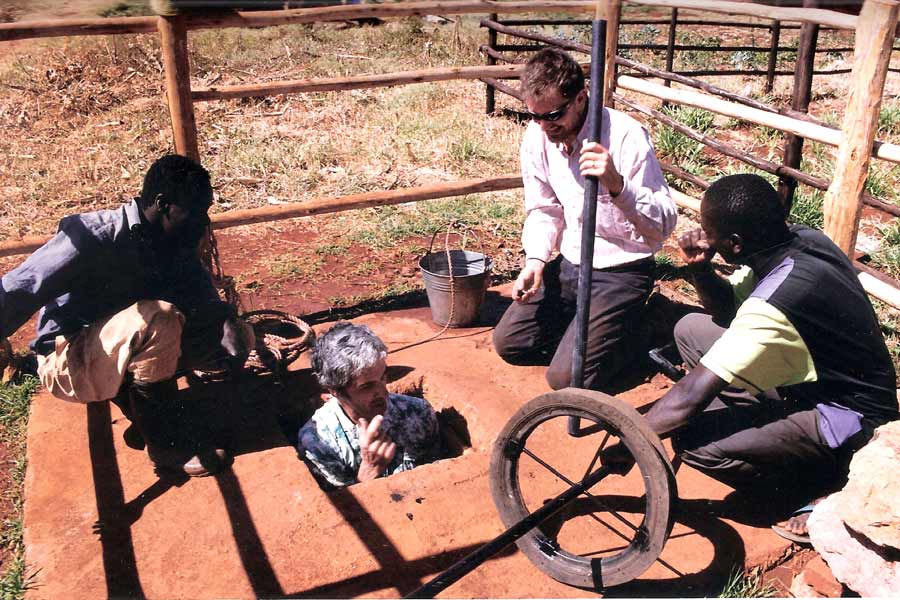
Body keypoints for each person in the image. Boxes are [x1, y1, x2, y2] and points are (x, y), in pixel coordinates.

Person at [603, 173, 899, 541]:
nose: (704, 236)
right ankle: (771, 431)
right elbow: (728, 312)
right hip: (820, 380)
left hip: (851, 417)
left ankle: (819, 486)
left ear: (736, 243)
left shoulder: (775, 302)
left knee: (697, 444)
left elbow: (691, 395)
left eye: (710, 232)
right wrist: (699, 267)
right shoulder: (802, 240)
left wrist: (631, 440)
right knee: (690, 329)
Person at [0, 154, 254, 477]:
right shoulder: (95, 236)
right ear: (163, 204)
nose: (203, 222)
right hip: (67, 359)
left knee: (237, 333)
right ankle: (165, 444)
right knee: (158, 319)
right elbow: (19, 286)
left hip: (113, 348)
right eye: (196, 212)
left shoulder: (173, 238)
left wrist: (225, 318)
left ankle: (143, 406)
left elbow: (199, 292)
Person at [492, 47, 677, 392]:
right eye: (535, 116)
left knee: (565, 379)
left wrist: (617, 184)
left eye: (554, 115)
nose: (545, 126)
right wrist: (534, 262)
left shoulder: (626, 136)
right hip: (572, 264)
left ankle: (641, 329)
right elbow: (544, 208)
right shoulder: (538, 137)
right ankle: (589, 334)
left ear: (580, 98)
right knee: (511, 343)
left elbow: (664, 226)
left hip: (622, 271)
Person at [298, 322, 441, 489]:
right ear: (335, 390)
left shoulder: (418, 412)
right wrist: (368, 472)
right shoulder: (318, 442)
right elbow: (340, 507)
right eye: (367, 386)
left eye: (383, 377)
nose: (383, 392)